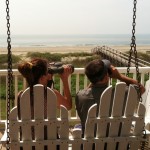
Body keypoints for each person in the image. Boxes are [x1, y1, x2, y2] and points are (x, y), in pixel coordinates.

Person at [75, 59, 145, 135]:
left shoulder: (80, 96)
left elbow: (87, 91)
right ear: (106, 77)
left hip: (90, 143)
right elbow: (141, 88)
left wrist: (94, 80)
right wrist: (119, 76)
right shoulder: (122, 94)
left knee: (77, 126)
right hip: (118, 143)